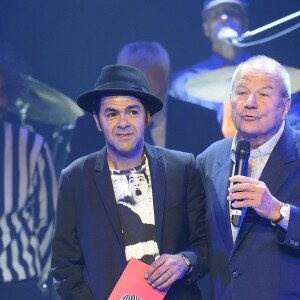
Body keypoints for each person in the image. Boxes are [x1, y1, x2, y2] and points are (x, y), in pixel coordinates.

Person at [51, 64, 209, 300]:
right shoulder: (75, 178)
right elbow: (65, 267)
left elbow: (206, 245)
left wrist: (185, 261)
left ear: (147, 116)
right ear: (97, 120)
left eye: (132, 112)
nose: (123, 122)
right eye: (112, 113)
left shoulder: (182, 167)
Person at [196, 55, 300, 300]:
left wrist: (278, 211)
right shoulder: (209, 159)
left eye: (264, 94)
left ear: (285, 106)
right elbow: (200, 240)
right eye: (241, 92)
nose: (250, 103)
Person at [66, 41, 222, 164]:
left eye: (153, 97)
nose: (146, 107)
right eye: (136, 97)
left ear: (168, 78)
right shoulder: (88, 128)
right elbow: (74, 190)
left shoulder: (202, 122)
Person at [0, 44, 57, 299]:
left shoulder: (31, 147)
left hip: (20, 283)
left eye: (1, 91)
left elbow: (49, 221)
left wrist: (42, 283)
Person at [170, 0, 251, 138]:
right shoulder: (181, 84)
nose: (225, 18)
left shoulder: (273, 76)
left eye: (232, 12)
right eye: (216, 14)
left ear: (245, 23)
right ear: (206, 28)